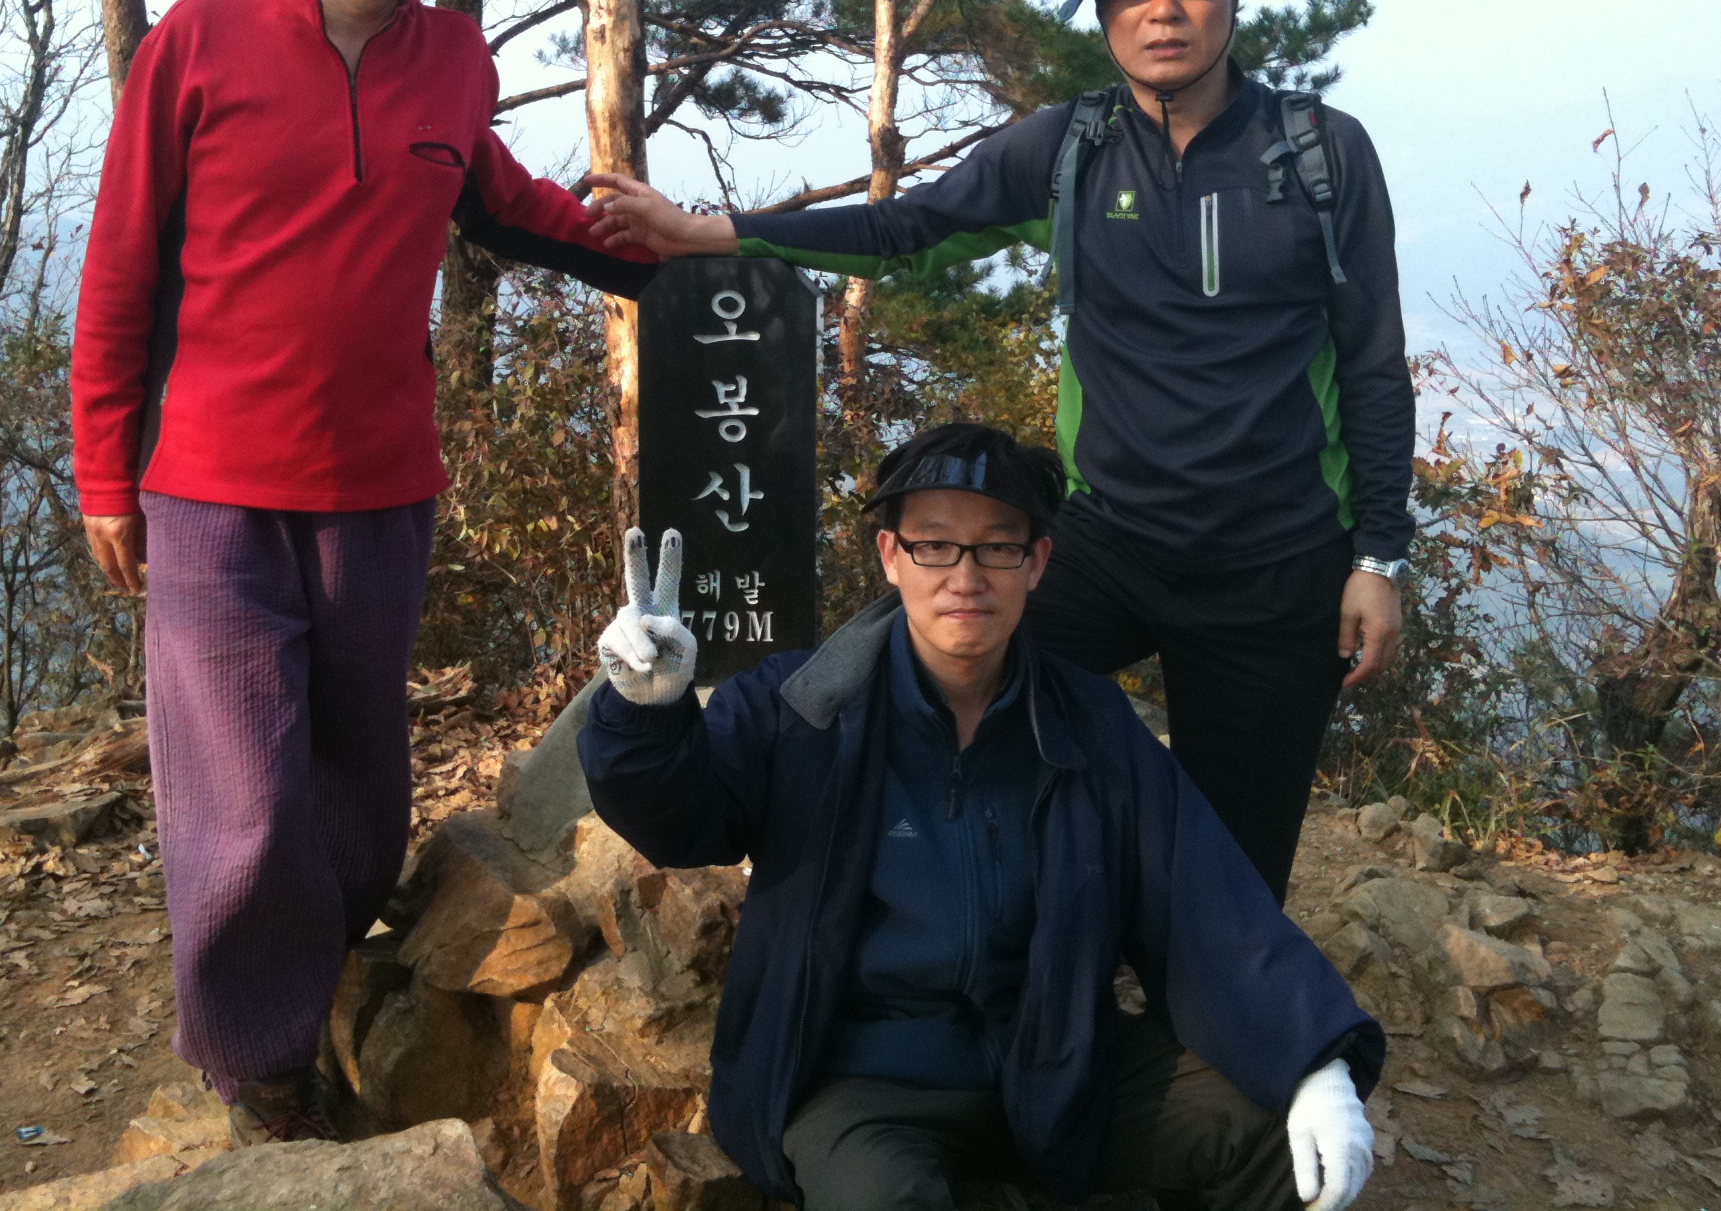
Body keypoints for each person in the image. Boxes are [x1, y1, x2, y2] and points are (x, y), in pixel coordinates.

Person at [586, 0, 1413, 903]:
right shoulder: (1068, 152)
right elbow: (906, 228)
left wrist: (1376, 558)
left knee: (1233, 878)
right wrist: (712, 233)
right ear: (1103, 11)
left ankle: (1186, 993)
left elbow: (1372, 362)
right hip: (1106, 544)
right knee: (903, 664)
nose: (1164, 9)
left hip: (1277, 563)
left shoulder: (1320, 154)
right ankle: (893, 902)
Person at [70, 0, 655, 1143]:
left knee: (357, 784)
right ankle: (263, 1067)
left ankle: (317, 976)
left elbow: (492, 194)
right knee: (240, 796)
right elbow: (119, 267)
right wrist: (104, 472)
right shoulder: (200, 42)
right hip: (210, 484)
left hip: (381, 485)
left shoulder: (452, 57)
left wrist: (657, 247)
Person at [580, 424, 1381, 1211]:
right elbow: (683, 822)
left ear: (1037, 563)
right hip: (860, 1081)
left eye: (997, 547)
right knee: (881, 1198)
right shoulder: (804, 707)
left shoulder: (1090, 723)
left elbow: (1199, 898)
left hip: (1057, 1060)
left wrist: (1310, 1060)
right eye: (934, 545)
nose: (965, 577)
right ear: (891, 556)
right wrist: (647, 713)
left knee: (1275, 1131)